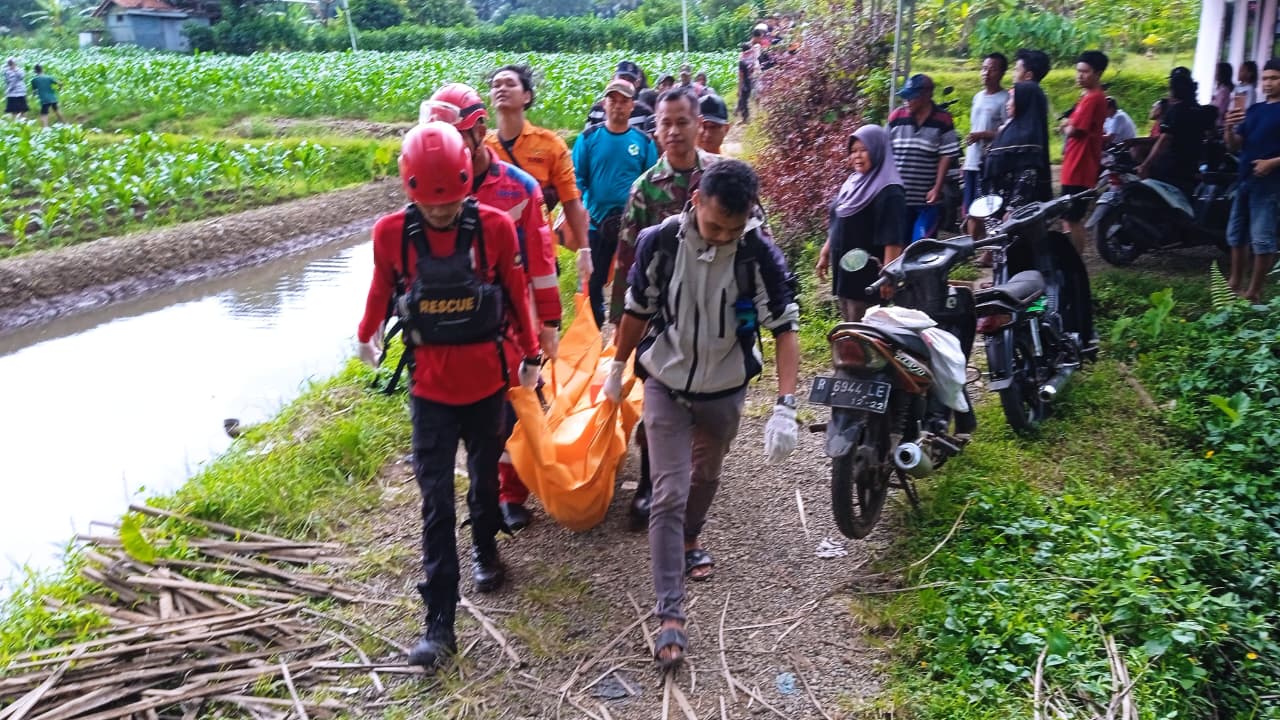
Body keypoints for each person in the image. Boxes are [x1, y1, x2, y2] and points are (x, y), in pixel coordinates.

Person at [356, 122, 541, 669]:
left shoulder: (494, 230)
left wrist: (531, 354)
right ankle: (440, 621)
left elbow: (514, 292)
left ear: (468, 182)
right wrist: (366, 331)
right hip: (430, 392)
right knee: (435, 503)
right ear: (409, 188)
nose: (440, 213)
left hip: (487, 386)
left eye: (451, 202)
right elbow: (379, 288)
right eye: (430, 204)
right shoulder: (391, 234)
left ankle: (486, 548)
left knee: (484, 485)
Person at [602, 159, 800, 670]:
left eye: (733, 229)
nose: (722, 237)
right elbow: (636, 311)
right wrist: (616, 366)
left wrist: (786, 405)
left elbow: (783, 327)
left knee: (707, 474)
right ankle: (670, 614)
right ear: (696, 202)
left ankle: (693, 535)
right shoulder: (659, 243)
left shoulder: (757, 253)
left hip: (725, 389)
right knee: (668, 490)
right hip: (665, 382)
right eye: (714, 226)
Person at [421, 83, 563, 533]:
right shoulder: (430, 184)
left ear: (479, 131)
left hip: (509, 319)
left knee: (512, 405)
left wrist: (549, 322)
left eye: (453, 139)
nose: (445, 151)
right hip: (451, 323)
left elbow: (540, 263)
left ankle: (510, 491)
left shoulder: (518, 189)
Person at [572, 78, 658, 327]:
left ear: (632, 106)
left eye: (624, 101)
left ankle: (626, 331)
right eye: (613, 100)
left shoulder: (644, 142)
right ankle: (593, 332)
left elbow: (651, 183)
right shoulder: (588, 139)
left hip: (631, 225)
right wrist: (580, 215)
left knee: (633, 279)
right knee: (593, 280)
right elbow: (578, 180)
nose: (618, 106)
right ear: (604, 103)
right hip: (596, 223)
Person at [486, 65, 590, 261]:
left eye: (510, 84)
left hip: (537, 250)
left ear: (527, 96)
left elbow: (571, 201)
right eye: (496, 85)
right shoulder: (483, 149)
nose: (501, 88)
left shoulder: (551, 145)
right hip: (492, 250)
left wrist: (585, 249)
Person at [815, 125, 905, 321]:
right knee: (849, 328)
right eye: (853, 151)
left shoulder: (889, 191)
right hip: (846, 271)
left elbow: (893, 238)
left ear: (878, 151)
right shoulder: (853, 182)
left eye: (864, 150)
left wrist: (888, 277)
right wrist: (825, 251)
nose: (857, 156)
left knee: (864, 334)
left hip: (868, 277)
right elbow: (839, 221)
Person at [1223, 58, 1280, 302]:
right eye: (1265, 78)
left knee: (1262, 239)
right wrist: (1228, 127)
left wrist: (1272, 162)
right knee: (1236, 235)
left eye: (1274, 78)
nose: (1268, 83)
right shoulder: (1254, 109)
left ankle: (1254, 291)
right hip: (1244, 178)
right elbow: (1235, 145)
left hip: (1270, 184)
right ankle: (1234, 283)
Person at [887, 73, 961, 245]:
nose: (907, 101)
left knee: (921, 246)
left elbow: (946, 155)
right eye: (905, 96)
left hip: (926, 201)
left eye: (911, 97)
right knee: (900, 246)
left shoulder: (943, 119)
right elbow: (885, 152)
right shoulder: (896, 117)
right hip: (900, 198)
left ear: (927, 95)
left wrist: (937, 188)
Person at [1058, 50, 1108, 256]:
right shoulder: (1088, 97)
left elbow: (1076, 130)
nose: (1079, 76)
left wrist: (1065, 126)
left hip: (1080, 165)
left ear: (1097, 73)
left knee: (1073, 217)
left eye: (1085, 72)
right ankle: (1069, 254)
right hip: (1075, 163)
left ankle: (1075, 257)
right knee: (1067, 214)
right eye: (1078, 71)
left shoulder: (1092, 99)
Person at [1138, 68, 1209, 198]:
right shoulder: (1201, 110)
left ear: (1175, 91)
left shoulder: (1175, 111)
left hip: (1171, 166)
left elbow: (1163, 140)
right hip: (1191, 166)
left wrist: (1146, 164)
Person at [981, 82, 1053, 208]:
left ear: (1023, 101)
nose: (1007, 104)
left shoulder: (1028, 137)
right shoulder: (1007, 130)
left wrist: (1012, 209)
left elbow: (1027, 175)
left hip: (1012, 210)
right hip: (994, 203)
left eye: (1012, 98)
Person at [963, 53, 1009, 236]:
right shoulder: (977, 97)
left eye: (992, 69)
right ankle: (972, 250)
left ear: (1002, 73)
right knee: (969, 208)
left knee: (985, 208)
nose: (986, 73)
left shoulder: (1005, 99)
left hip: (990, 161)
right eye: (984, 68)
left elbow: (1006, 132)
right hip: (972, 160)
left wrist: (983, 135)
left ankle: (987, 251)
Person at [583, 61, 655, 136]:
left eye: (630, 80)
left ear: (637, 84)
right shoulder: (596, 111)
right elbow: (587, 138)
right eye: (622, 78)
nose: (625, 82)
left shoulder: (644, 113)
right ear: (613, 79)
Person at [737, 43, 758, 122]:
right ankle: (747, 116)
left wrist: (739, 89)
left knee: (743, 100)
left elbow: (740, 76)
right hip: (752, 80)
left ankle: (745, 118)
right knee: (746, 99)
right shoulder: (752, 59)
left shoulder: (742, 61)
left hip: (745, 82)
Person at [1212, 62, 1234, 131]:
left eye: (1217, 71)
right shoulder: (1220, 89)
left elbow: (1219, 110)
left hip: (1218, 124)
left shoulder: (1224, 91)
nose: (1215, 73)